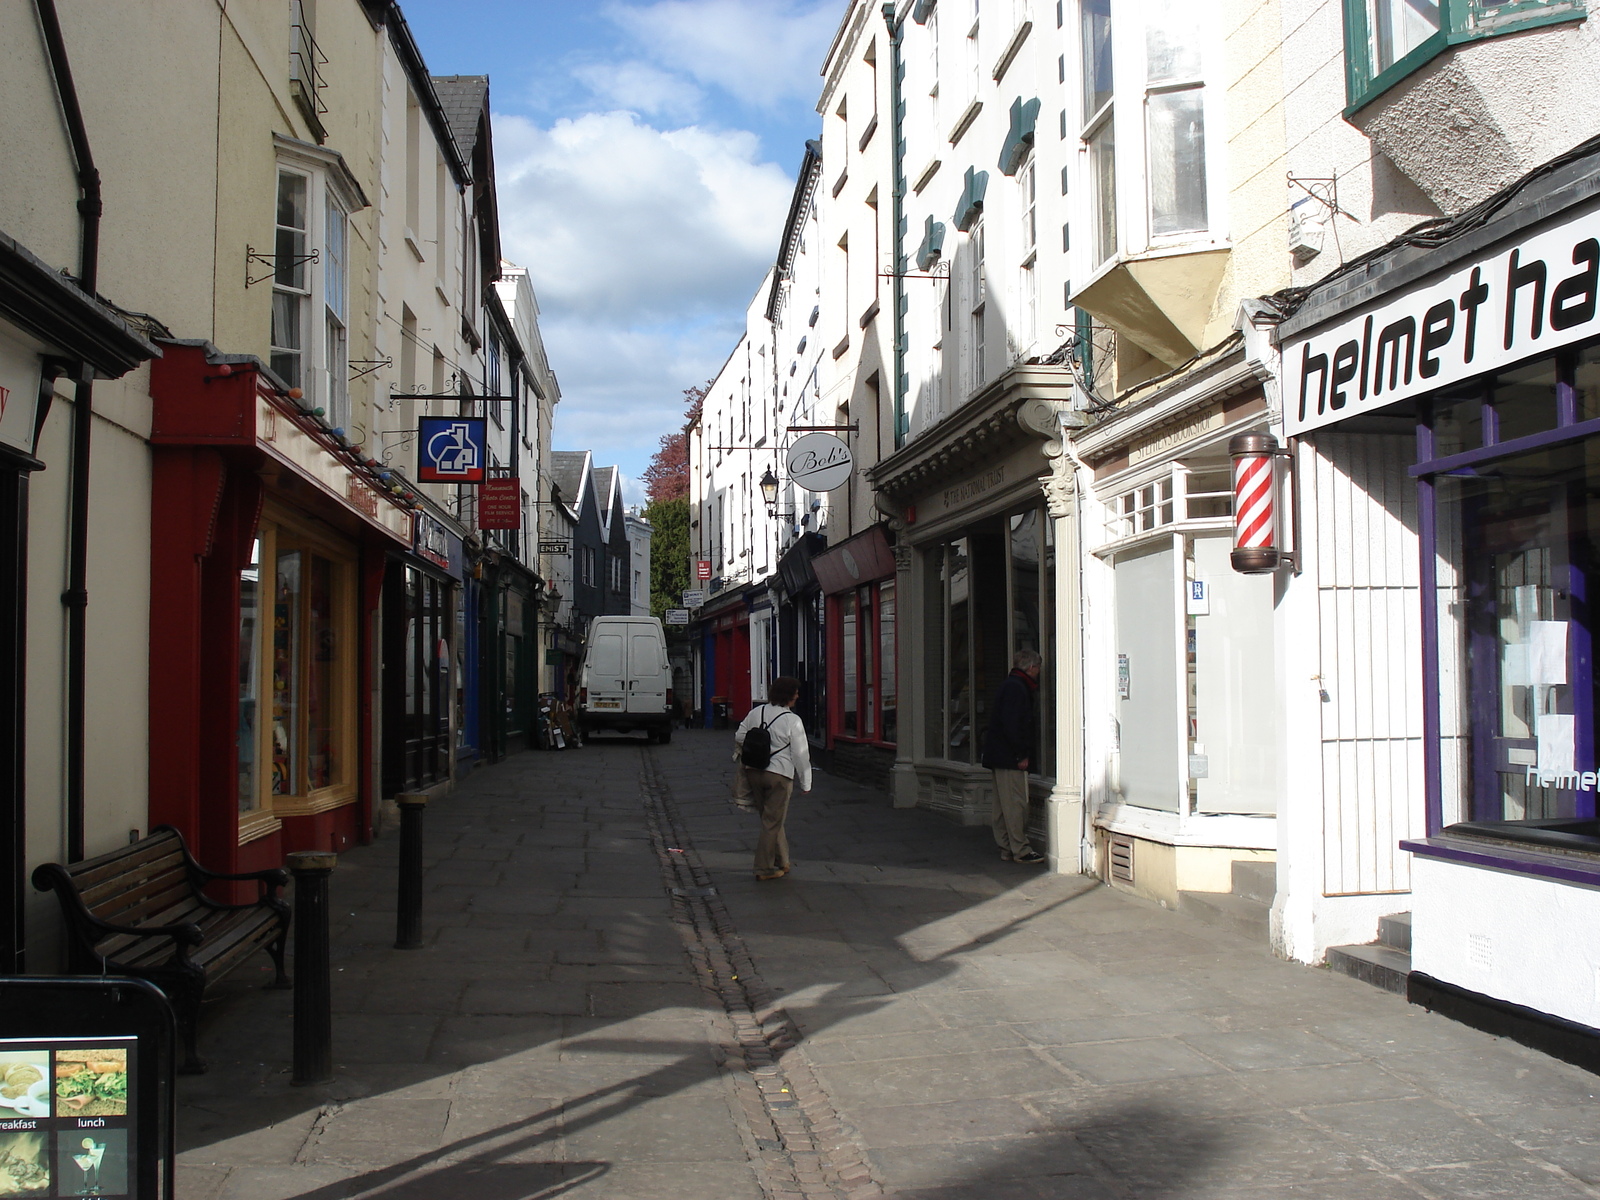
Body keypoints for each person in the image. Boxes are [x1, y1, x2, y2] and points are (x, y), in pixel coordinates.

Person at [734, 677, 811, 881]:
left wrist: (760, 746)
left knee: (770, 820)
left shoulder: (755, 712)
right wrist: (806, 782)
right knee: (772, 821)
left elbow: (740, 736)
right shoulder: (792, 720)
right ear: (789, 695)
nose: (797, 696)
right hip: (779, 774)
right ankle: (764, 868)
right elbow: (801, 754)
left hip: (754, 771)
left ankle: (782, 860)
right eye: (795, 692)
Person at [981, 649, 1045, 864]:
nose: (1038, 673)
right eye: (1037, 668)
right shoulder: (1018, 688)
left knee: (1001, 806)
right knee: (1016, 804)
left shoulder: (1010, 685)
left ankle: (1007, 847)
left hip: (999, 755)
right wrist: (1021, 754)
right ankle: (1021, 849)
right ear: (1031, 667)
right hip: (1009, 756)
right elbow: (1014, 725)